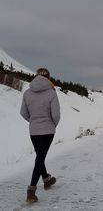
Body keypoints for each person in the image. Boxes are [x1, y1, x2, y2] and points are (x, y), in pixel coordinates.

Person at [20, 68, 60, 203]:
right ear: (48, 78)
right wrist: (53, 124)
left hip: (34, 131)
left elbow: (23, 113)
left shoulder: (27, 93)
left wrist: (33, 122)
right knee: (40, 157)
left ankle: (47, 179)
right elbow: (56, 115)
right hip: (47, 131)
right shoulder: (51, 92)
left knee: (40, 156)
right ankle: (31, 190)